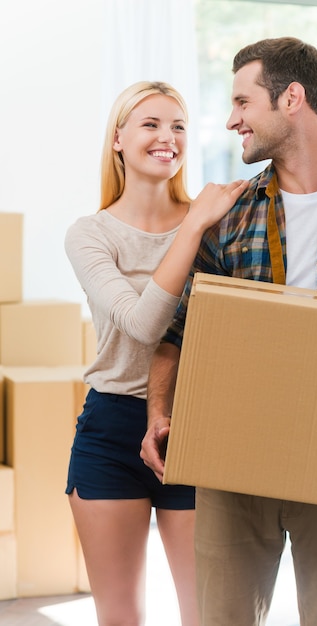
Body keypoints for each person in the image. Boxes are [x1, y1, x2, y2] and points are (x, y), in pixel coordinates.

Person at [140, 38, 317, 626]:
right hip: (234, 457)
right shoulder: (231, 213)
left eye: (243, 101)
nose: (230, 119)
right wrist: (158, 411)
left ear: (292, 98)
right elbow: (179, 331)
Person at [64, 80, 250, 626]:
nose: (167, 138)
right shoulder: (91, 235)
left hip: (197, 425)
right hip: (110, 430)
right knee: (120, 619)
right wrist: (194, 225)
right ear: (118, 138)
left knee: (207, 615)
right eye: (151, 124)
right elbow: (144, 326)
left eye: (178, 126)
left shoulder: (220, 222)